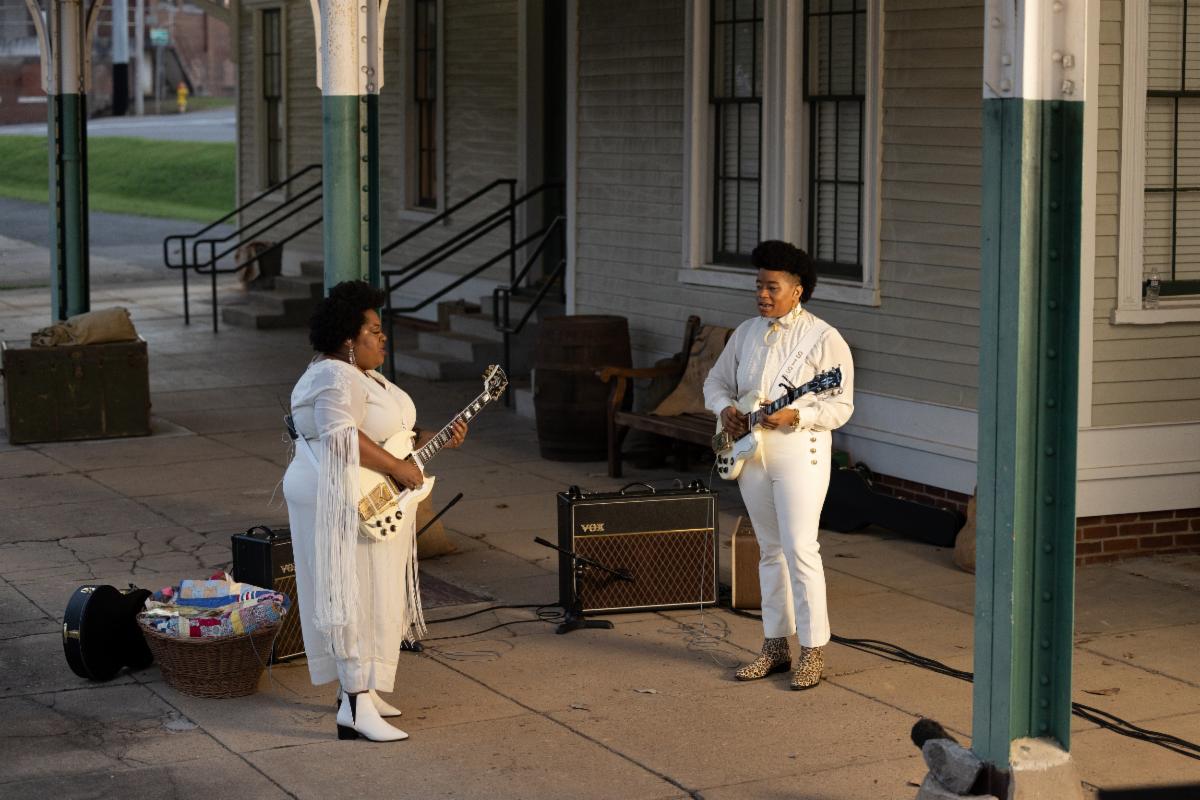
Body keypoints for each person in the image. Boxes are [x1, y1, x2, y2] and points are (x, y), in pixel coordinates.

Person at [283, 280, 467, 741]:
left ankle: (362, 689)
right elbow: (341, 435)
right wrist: (400, 471)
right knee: (350, 592)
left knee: (375, 591)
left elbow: (387, 432)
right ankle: (355, 702)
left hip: (367, 495)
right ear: (349, 337)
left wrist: (426, 441)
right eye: (374, 329)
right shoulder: (335, 374)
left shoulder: (361, 374)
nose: (383, 337)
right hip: (341, 497)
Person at [702, 241, 854, 690]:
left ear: (798, 290)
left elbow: (840, 405)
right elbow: (715, 381)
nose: (762, 295)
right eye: (759, 286)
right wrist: (725, 408)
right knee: (768, 552)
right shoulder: (747, 332)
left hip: (800, 454)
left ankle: (812, 650)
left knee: (800, 550)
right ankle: (774, 645)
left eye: (772, 287)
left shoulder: (824, 340)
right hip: (753, 455)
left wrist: (800, 414)